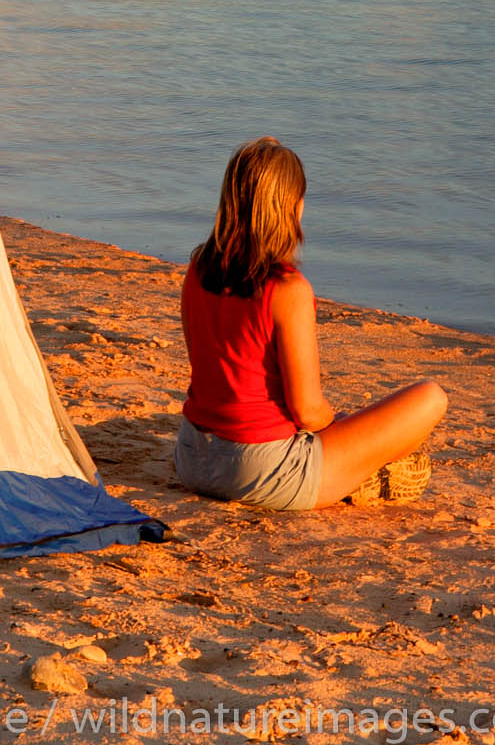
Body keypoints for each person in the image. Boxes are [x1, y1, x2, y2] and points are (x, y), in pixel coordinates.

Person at [173, 137, 448, 512]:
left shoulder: (199, 268)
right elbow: (306, 411)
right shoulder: (286, 290)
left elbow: (207, 371)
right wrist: (342, 427)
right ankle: (357, 475)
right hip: (259, 470)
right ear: (291, 206)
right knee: (431, 397)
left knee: (352, 430)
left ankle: (353, 471)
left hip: (191, 457)